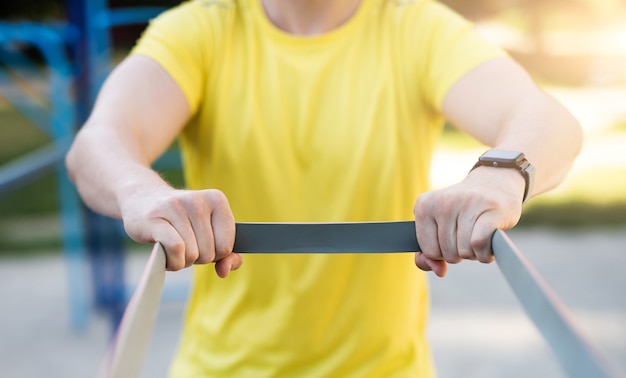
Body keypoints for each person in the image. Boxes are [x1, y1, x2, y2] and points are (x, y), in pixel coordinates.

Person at [65, 0, 582, 376]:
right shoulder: (200, 29)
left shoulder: (414, 27)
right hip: (219, 369)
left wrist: (496, 177)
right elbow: (99, 143)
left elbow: (548, 121)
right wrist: (141, 192)